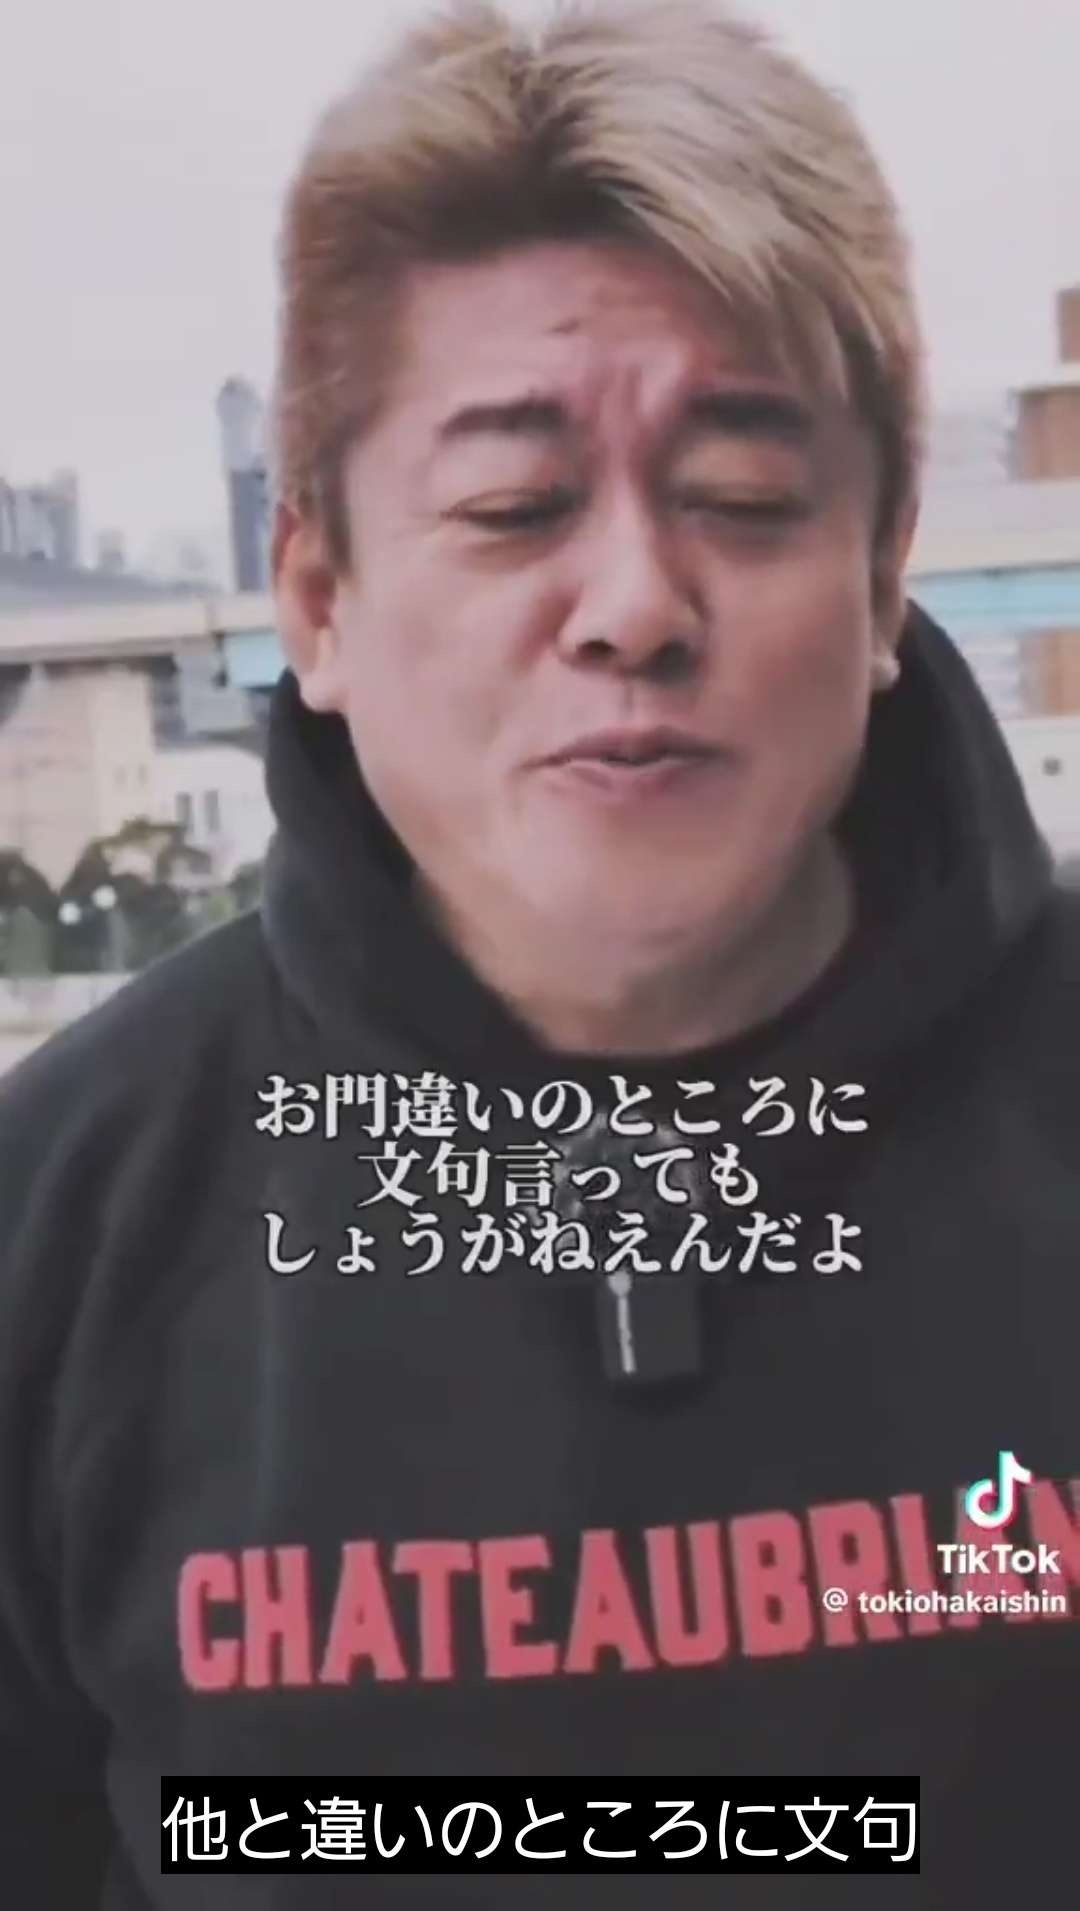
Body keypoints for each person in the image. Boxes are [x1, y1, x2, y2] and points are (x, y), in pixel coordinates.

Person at [1, 1, 1077, 1903]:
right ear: (317, 598)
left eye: (744, 502)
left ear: (884, 573)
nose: (636, 606)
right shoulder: (60, 1224)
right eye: (513, 510)